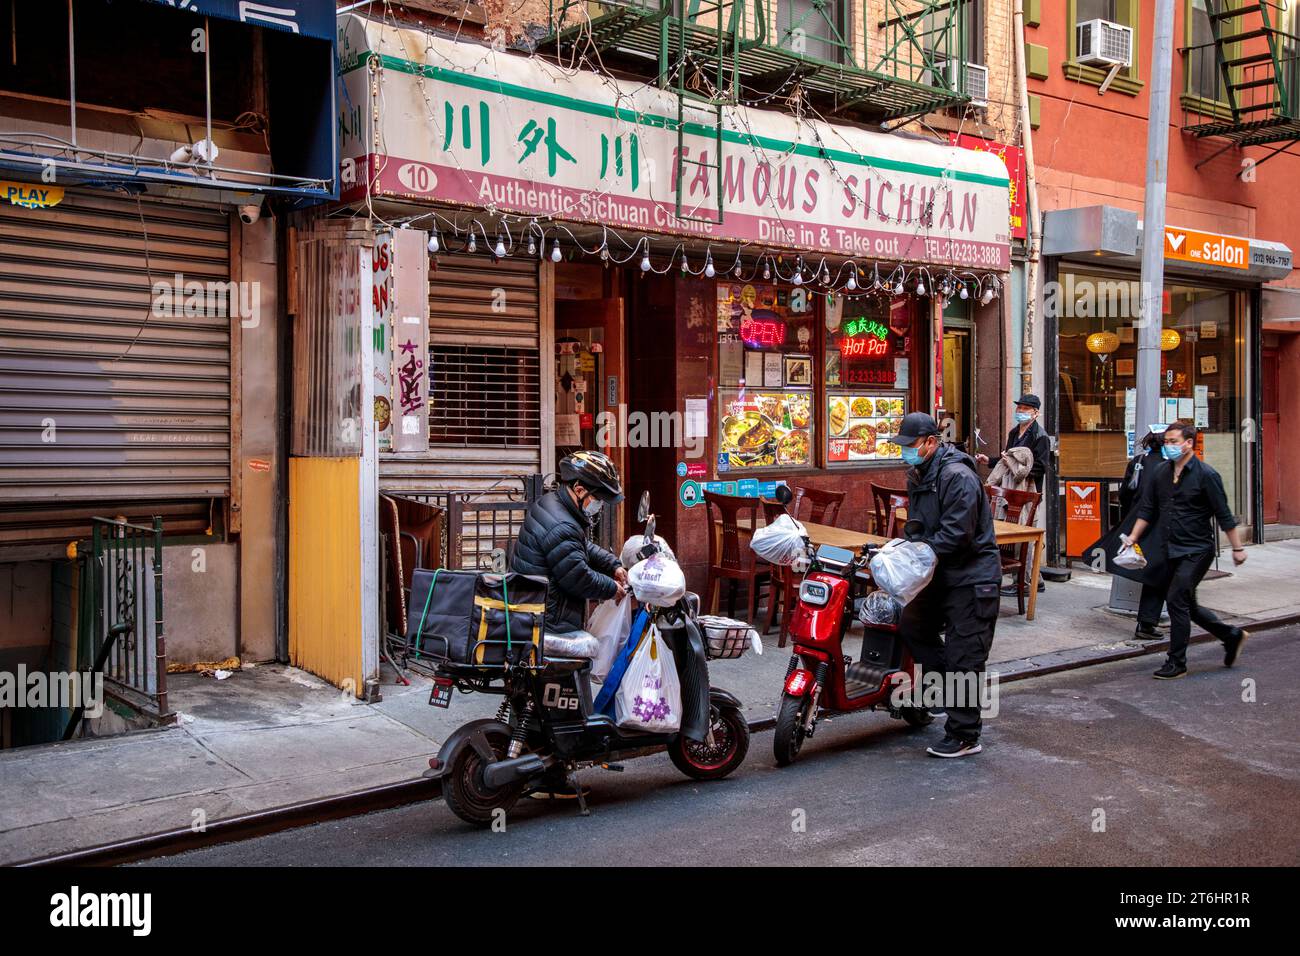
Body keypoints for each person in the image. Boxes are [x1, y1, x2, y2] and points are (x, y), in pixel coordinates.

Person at [896, 412, 1003, 758]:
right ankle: (949, 693)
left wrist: (920, 555)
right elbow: (920, 525)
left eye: (910, 446)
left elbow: (957, 534)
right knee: (912, 624)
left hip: (973, 577)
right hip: (939, 572)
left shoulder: (957, 475)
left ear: (930, 442)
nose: (905, 453)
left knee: (965, 655)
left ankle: (964, 734)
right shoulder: (920, 472)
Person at [1122, 422, 1248, 680]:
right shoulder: (1160, 473)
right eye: (1166, 441)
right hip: (1169, 548)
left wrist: (1237, 548)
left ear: (1189, 443)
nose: (1168, 446)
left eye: (1173, 441)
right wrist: (1132, 537)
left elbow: (1224, 515)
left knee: (1176, 598)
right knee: (1188, 605)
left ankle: (1176, 662)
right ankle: (1231, 635)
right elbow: (1147, 509)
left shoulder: (1206, 475)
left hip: (1197, 550)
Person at [512, 450, 628, 652]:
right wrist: (612, 588)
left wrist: (613, 565)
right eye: (598, 499)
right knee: (594, 653)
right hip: (548, 620)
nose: (600, 506)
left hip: (533, 607)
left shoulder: (551, 503)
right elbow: (578, 578)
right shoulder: (562, 524)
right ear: (580, 490)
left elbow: (579, 545)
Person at [976, 393, 1050, 595]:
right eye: (1019, 408)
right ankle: (1036, 580)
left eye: (1025, 409)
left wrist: (1018, 470)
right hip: (1009, 491)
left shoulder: (1040, 436)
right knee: (1015, 534)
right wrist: (989, 461)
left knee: (1023, 536)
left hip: (1028, 493)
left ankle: (1024, 584)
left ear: (1035, 413)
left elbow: (1041, 467)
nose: (1021, 411)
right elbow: (1006, 458)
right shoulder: (1014, 433)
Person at [1119, 426, 1168, 640]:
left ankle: (1147, 621)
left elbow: (1125, 493)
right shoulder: (1170, 466)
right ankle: (1148, 622)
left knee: (1152, 572)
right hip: (1161, 525)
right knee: (1160, 573)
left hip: (1137, 522)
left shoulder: (1139, 461)